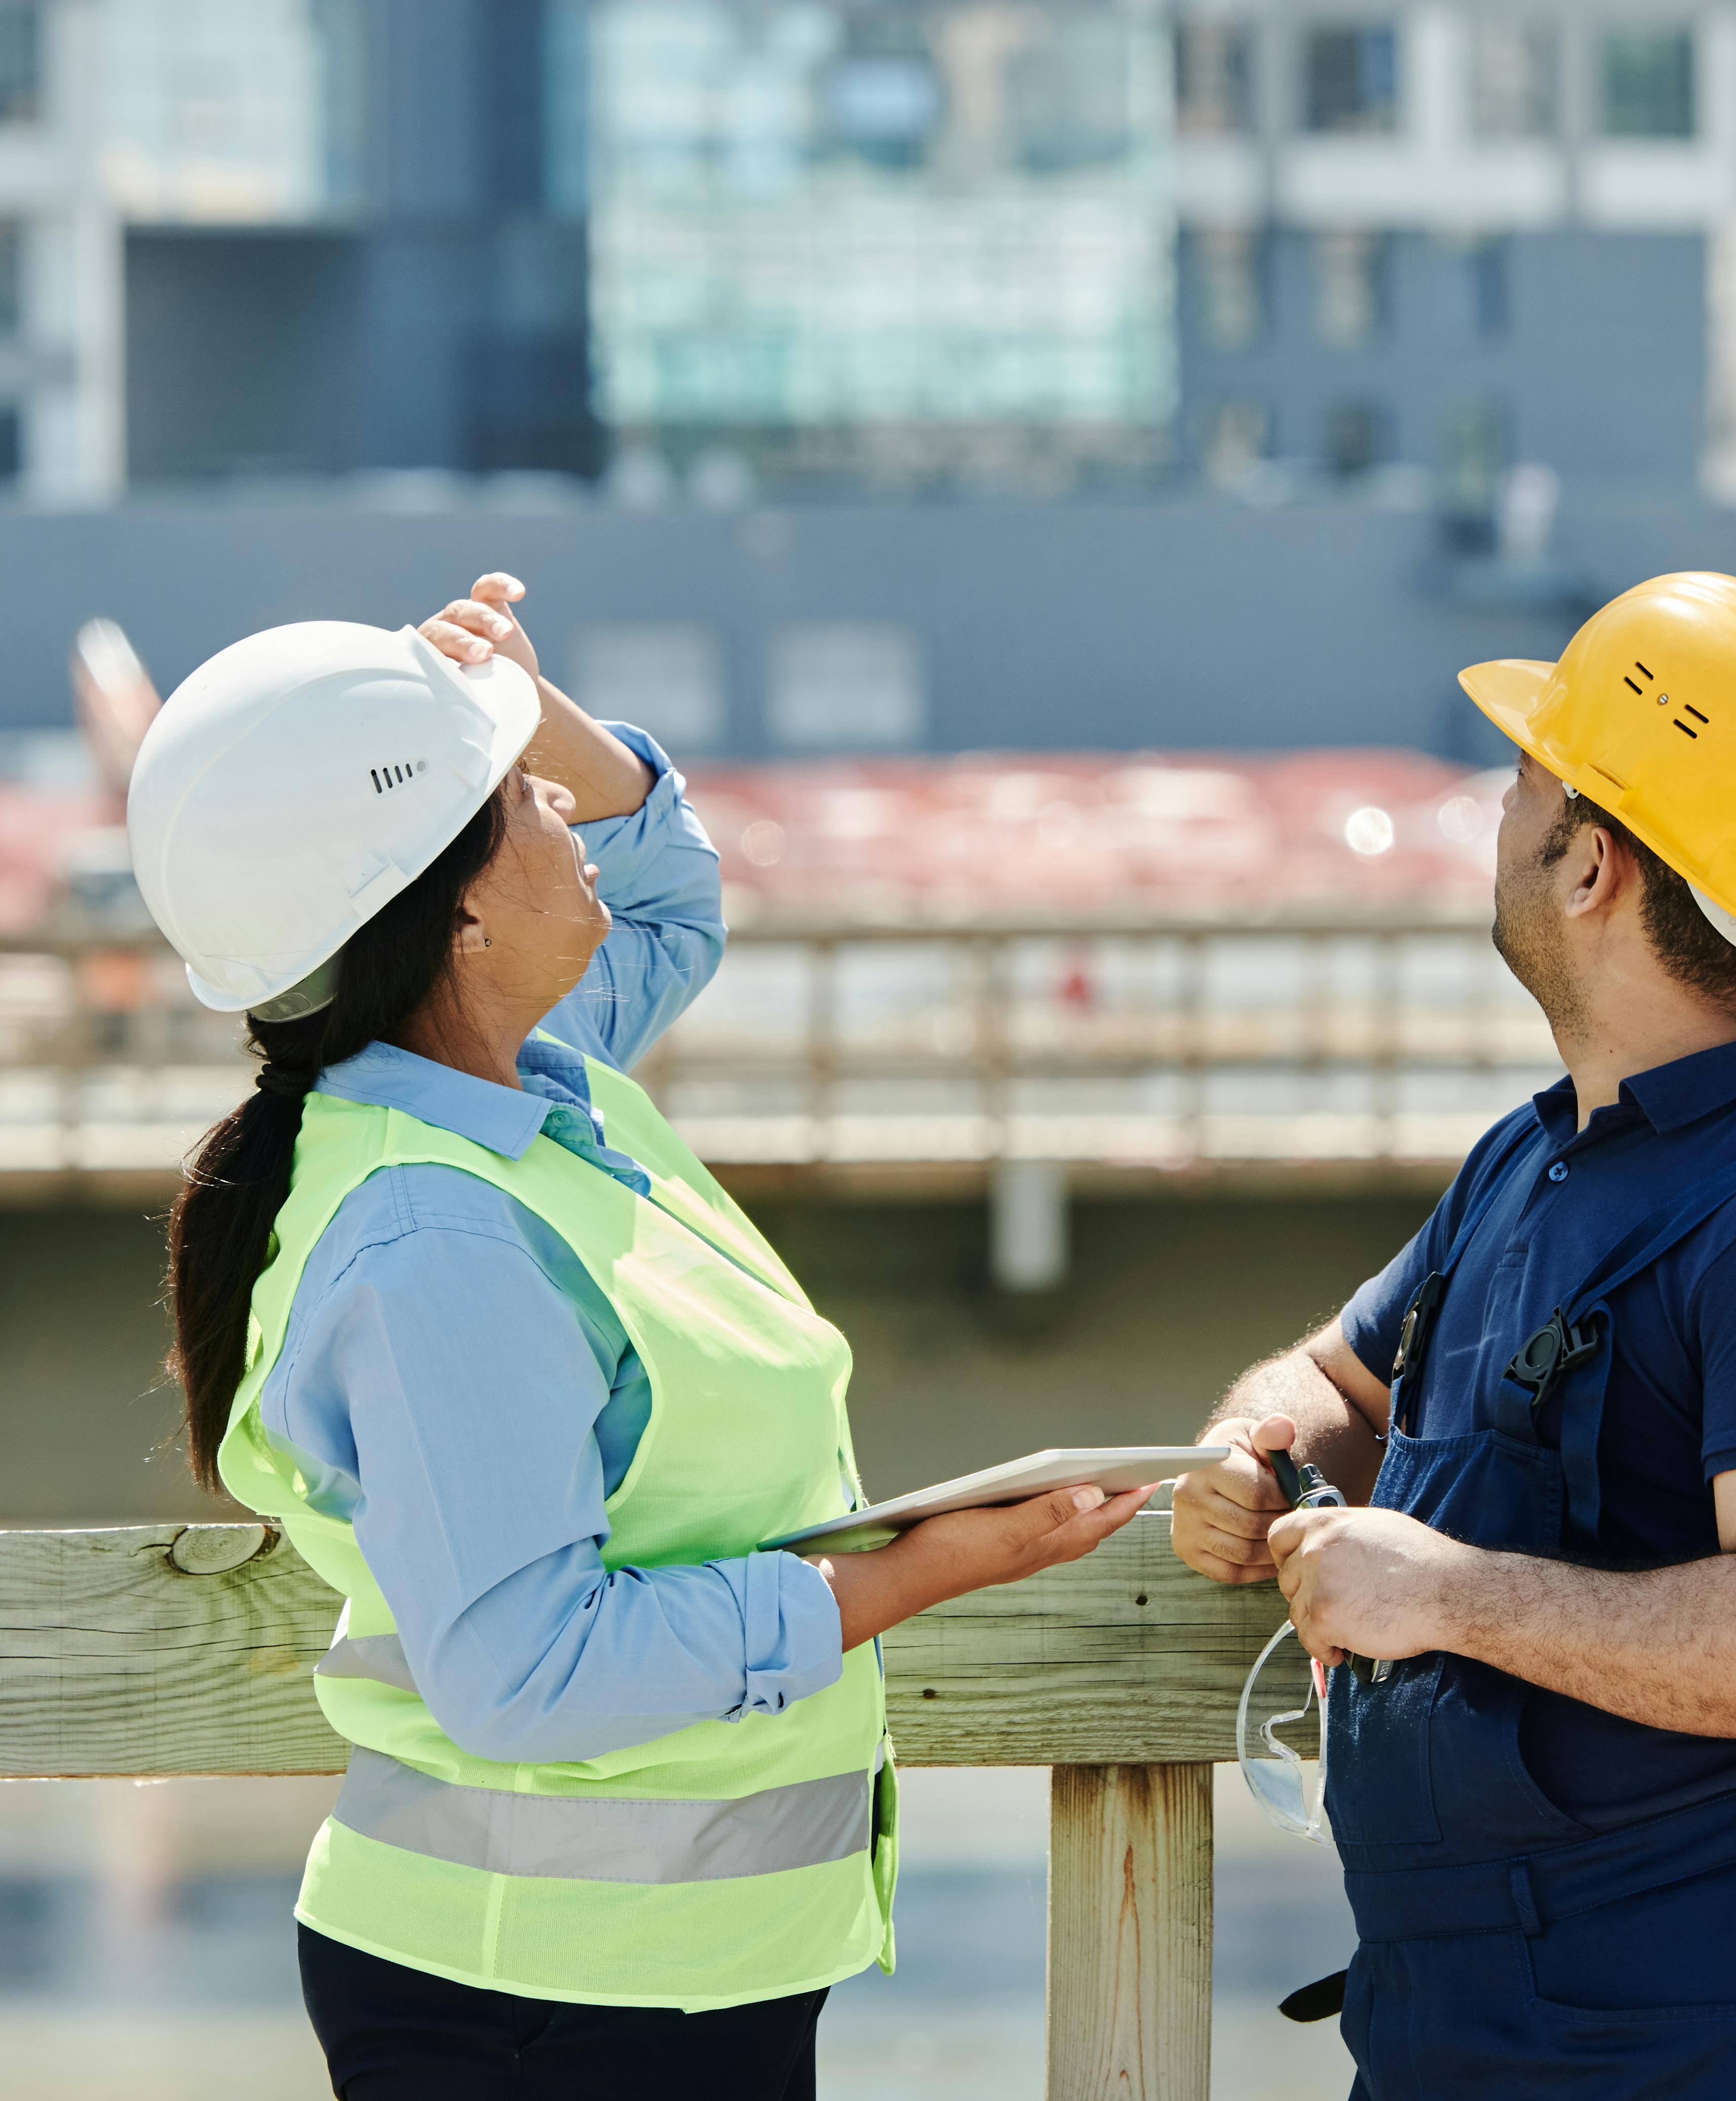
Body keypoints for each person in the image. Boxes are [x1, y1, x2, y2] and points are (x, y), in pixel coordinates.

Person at [132, 574, 1151, 2101]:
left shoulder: (540, 1088)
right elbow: (528, 1671)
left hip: (644, 1982)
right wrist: (923, 1570)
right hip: (537, 2003)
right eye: (517, 794)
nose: (561, 797)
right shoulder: (440, 1233)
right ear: (459, 907)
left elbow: (666, 889)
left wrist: (521, 705)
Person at [1168, 571, 1736, 2101]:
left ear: (1589, 867)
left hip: (1711, 2039)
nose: (1498, 813)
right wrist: (1252, 1449)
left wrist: (1451, 1597)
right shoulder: (1540, 1153)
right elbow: (1337, 1376)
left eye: (1522, 784)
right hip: (1463, 2020)